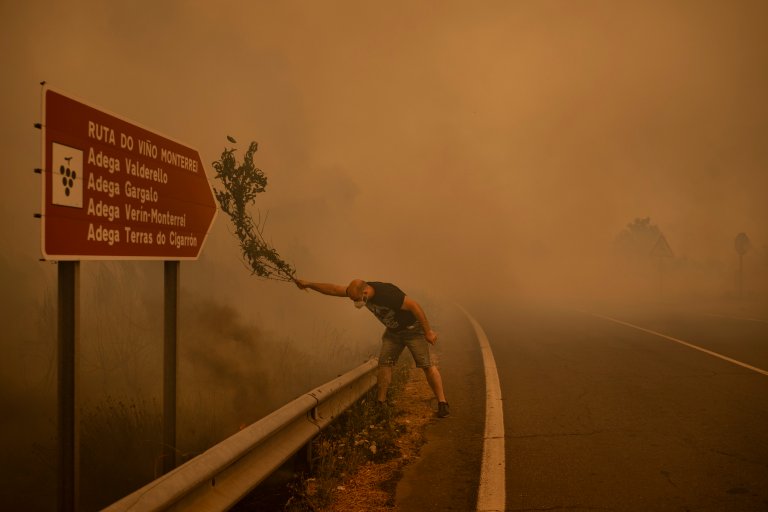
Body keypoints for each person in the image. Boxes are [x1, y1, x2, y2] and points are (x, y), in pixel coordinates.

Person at [294, 278, 450, 418]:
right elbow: (334, 289)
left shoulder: (388, 294)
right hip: (393, 332)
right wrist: (309, 284)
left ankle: (442, 402)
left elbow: (415, 306)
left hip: (412, 330)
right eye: (353, 299)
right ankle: (380, 403)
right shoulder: (357, 290)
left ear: (366, 291)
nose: (356, 303)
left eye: (358, 299)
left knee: (426, 365)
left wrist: (428, 331)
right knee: (384, 364)